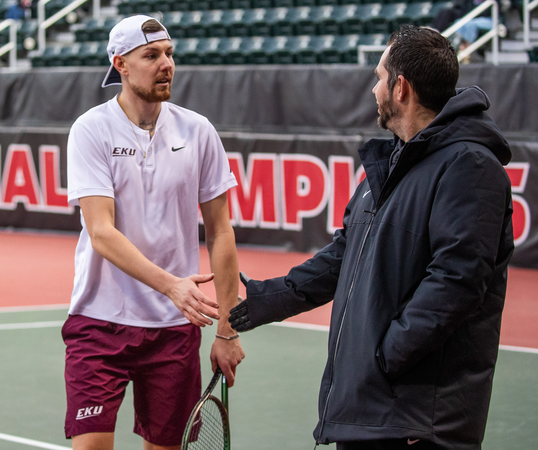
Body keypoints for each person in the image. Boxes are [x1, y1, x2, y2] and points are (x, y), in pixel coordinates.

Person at [229, 25, 513, 450]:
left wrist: (385, 356)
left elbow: (457, 280)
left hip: (414, 421)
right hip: (373, 411)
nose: (373, 88)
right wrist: (264, 298)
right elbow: (346, 254)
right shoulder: (392, 163)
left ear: (401, 88)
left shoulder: (470, 165)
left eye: (379, 77)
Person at [63, 15, 245, 450]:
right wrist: (172, 287)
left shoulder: (197, 131)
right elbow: (101, 232)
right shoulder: (91, 130)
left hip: (173, 330)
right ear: (120, 64)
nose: (166, 64)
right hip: (99, 321)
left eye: (169, 54)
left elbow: (220, 233)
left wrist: (227, 328)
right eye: (151, 56)